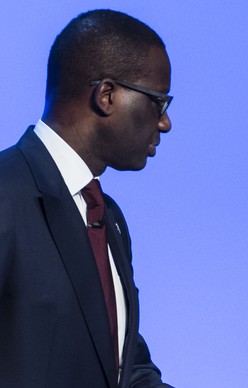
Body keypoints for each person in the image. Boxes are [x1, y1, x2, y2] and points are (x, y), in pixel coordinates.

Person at [0, 9, 174, 387]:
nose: (165, 122)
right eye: (158, 102)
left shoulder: (107, 217)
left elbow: (124, 370)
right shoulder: (6, 193)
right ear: (106, 95)